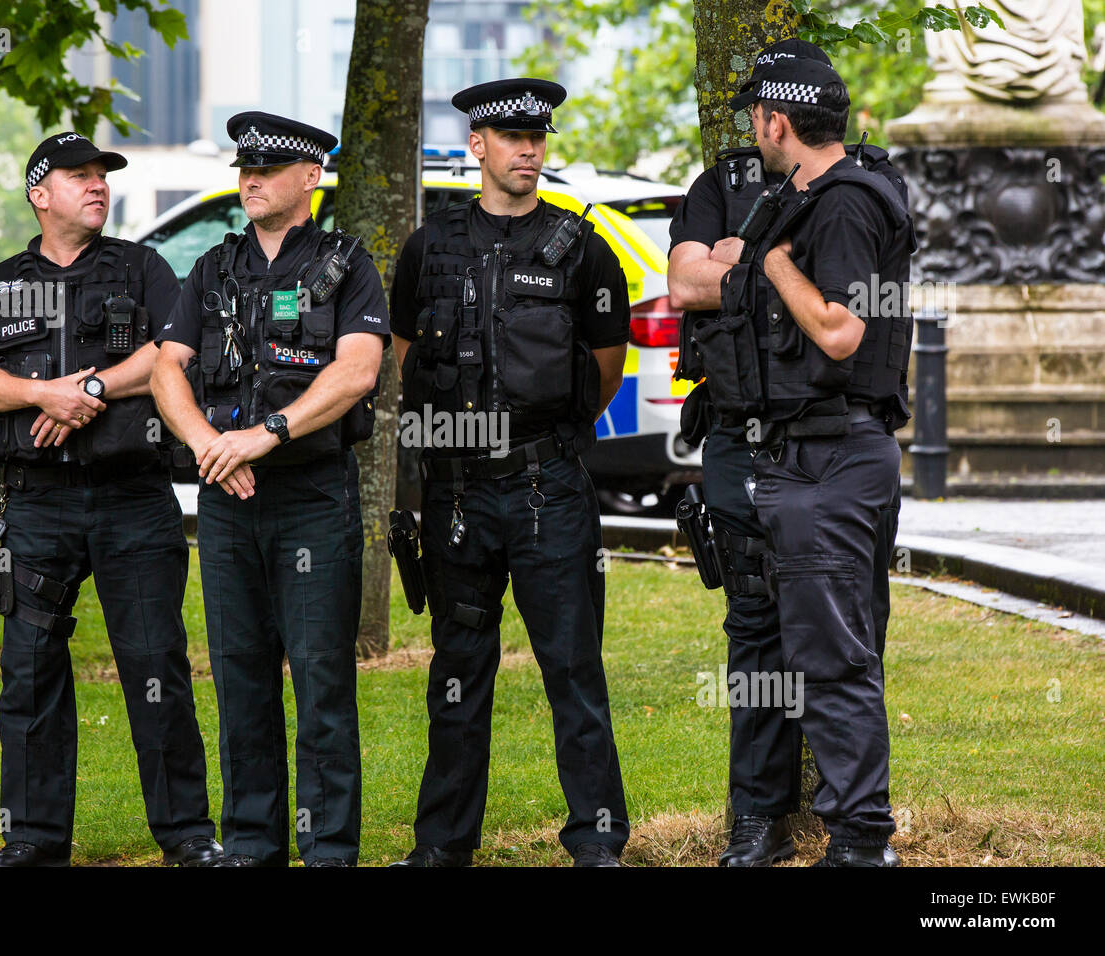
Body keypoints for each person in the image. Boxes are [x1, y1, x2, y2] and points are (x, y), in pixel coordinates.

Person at [0, 132, 223, 868]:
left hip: (133, 498)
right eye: (79, 177)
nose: (97, 185)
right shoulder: (0, 284)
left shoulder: (142, 268)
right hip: (36, 503)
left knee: (155, 665)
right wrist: (43, 393)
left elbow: (172, 353)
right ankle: (33, 839)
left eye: (102, 176)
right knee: (30, 669)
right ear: (40, 194)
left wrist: (91, 389)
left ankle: (188, 835)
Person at [667, 39, 907, 866]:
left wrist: (765, 258)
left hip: (830, 451)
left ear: (778, 120)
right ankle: (766, 824)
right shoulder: (779, 194)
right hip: (773, 454)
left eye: (758, 119)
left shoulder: (842, 204)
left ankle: (862, 841)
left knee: (835, 655)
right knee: (767, 640)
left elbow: (839, 330)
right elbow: (687, 282)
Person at [388, 78, 631, 868]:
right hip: (456, 492)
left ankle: (597, 842)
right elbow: (402, 361)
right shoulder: (429, 247)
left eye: (540, 137)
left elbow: (603, 371)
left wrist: (537, 444)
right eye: (513, 137)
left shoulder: (581, 247)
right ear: (479, 147)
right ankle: (441, 846)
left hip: (545, 489)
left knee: (573, 670)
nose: (530, 149)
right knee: (457, 673)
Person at [150, 112, 388, 867]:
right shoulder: (213, 267)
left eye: (267, 168)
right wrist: (210, 446)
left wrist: (266, 434)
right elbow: (166, 368)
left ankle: (328, 851)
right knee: (239, 675)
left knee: (320, 679)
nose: (249, 179)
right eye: (243, 167)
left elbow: (356, 371)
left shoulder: (348, 264)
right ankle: (251, 845)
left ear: (310, 177)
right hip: (228, 500)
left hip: (312, 496)